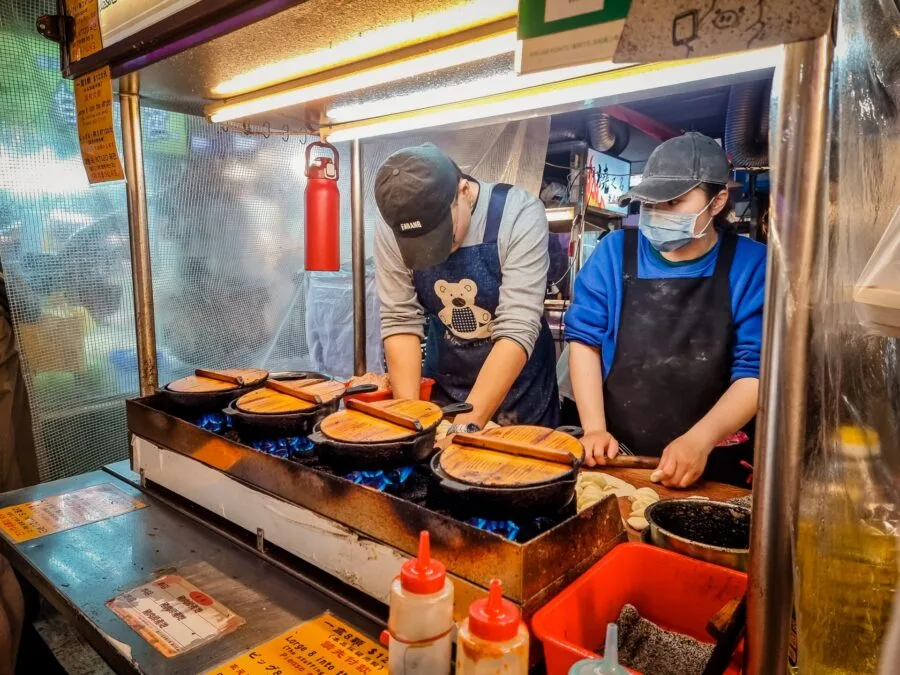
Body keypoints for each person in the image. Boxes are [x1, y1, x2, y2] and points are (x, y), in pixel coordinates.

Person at [565, 132, 766, 487]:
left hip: (712, 462)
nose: (657, 214)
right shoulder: (614, 253)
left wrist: (701, 439)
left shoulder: (752, 266)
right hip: (619, 452)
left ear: (717, 202)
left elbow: (755, 372)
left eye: (672, 203)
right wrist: (594, 428)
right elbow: (585, 342)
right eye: (649, 203)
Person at [374, 143, 559, 432]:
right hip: (445, 389)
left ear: (462, 191)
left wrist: (466, 427)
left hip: (521, 397)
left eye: (443, 236)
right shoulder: (394, 226)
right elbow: (400, 320)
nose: (437, 253)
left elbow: (517, 325)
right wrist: (410, 424)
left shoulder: (519, 213)